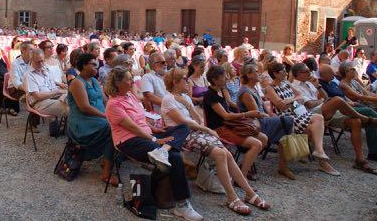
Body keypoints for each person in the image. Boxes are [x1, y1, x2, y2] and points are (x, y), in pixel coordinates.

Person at [162, 68, 268, 215]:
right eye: (185, 80)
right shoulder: (167, 99)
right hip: (181, 135)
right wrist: (207, 130)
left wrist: (187, 105)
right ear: (175, 82)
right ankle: (232, 197)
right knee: (220, 154)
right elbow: (183, 122)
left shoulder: (184, 98)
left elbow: (197, 119)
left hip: (194, 132)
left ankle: (249, 193)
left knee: (227, 154)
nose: (188, 83)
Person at [104, 67, 203, 221]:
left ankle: (163, 151)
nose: (132, 81)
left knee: (183, 127)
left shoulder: (130, 95)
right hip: (129, 141)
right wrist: (155, 139)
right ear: (117, 82)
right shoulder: (113, 104)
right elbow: (133, 128)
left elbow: (140, 120)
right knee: (175, 157)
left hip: (146, 135)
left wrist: (155, 129)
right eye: (129, 79)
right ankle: (182, 205)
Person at [265, 62, 339, 176]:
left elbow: (300, 96)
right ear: (275, 74)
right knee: (315, 124)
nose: (286, 72)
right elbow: (280, 106)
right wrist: (294, 100)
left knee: (317, 120)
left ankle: (319, 152)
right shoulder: (270, 88)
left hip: (296, 114)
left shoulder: (286, 83)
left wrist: (290, 100)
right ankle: (321, 159)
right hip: (286, 118)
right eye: (283, 71)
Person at [203, 66, 267, 180]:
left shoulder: (220, 91)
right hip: (219, 130)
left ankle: (242, 168)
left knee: (263, 138)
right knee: (256, 144)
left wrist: (243, 112)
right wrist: (247, 114)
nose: (227, 78)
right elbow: (226, 116)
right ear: (215, 80)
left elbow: (229, 110)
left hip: (230, 126)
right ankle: (241, 178)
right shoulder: (210, 95)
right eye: (223, 76)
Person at [237, 64, 295, 180]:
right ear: (248, 75)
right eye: (256, 71)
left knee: (284, 125)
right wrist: (271, 116)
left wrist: (271, 114)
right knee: (287, 121)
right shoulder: (246, 92)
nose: (259, 73)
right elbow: (256, 113)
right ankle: (284, 164)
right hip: (254, 123)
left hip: (261, 120)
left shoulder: (253, 88)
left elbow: (263, 108)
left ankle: (284, 164)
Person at [67, 53, 116, 185]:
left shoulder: (93, 81)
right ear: (84, 65)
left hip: (97, 118)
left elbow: (105, 100)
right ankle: (106, 173)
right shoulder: (77, 82)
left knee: (118, 124)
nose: (97, 67)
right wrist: (107, 116)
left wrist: (115, 112)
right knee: (112, 128)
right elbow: (84, 108)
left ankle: (108, 159)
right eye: (93, 65)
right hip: (82, 123)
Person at [318, 64, 377, 170]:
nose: (334, 74)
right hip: (335, 111)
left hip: (350, 107)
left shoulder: (333, 83)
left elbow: (346, 97)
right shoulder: (320, 85)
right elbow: (326, 100)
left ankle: (360, 159)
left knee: (357, 121)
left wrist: (352, 103)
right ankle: (373, 151)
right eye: (331, 72)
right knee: (369, 113)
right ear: (324, 74)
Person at [332, 62, 377, 162]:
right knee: (370, 113)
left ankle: (373, 152)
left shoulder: (354, 82)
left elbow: (367, 93)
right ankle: (373, 152)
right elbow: (359, 97)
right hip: (351, 108)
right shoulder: (343, 84)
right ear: (346, 72)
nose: (355, 70)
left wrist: (374, 97)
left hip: (364, 105)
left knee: (370, 116)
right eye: (352, 69)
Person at [23, 49, 69, 120]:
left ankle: (64, 128)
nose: (41, 64)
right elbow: (38, 96)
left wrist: (62, 91)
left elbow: (53, 87)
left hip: (53, 98)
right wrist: (57, 92)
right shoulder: (29, 75)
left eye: (42, 61)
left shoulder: (46, 70)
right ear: (31, 60)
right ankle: (69, 129)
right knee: (70, 109)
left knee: (75, 99)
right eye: (38, 62)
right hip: (40, 103)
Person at [7, 41, 35, 115]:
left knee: (38, 93)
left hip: (28, 87)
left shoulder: (33, 62)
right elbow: (16, 83)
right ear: (23, 50)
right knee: (35, 96)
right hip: (15, 89)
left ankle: (36, 113)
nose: (33, 52)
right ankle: (33, 121)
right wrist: (29, 89)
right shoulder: (15, 64)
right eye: (31, 49)